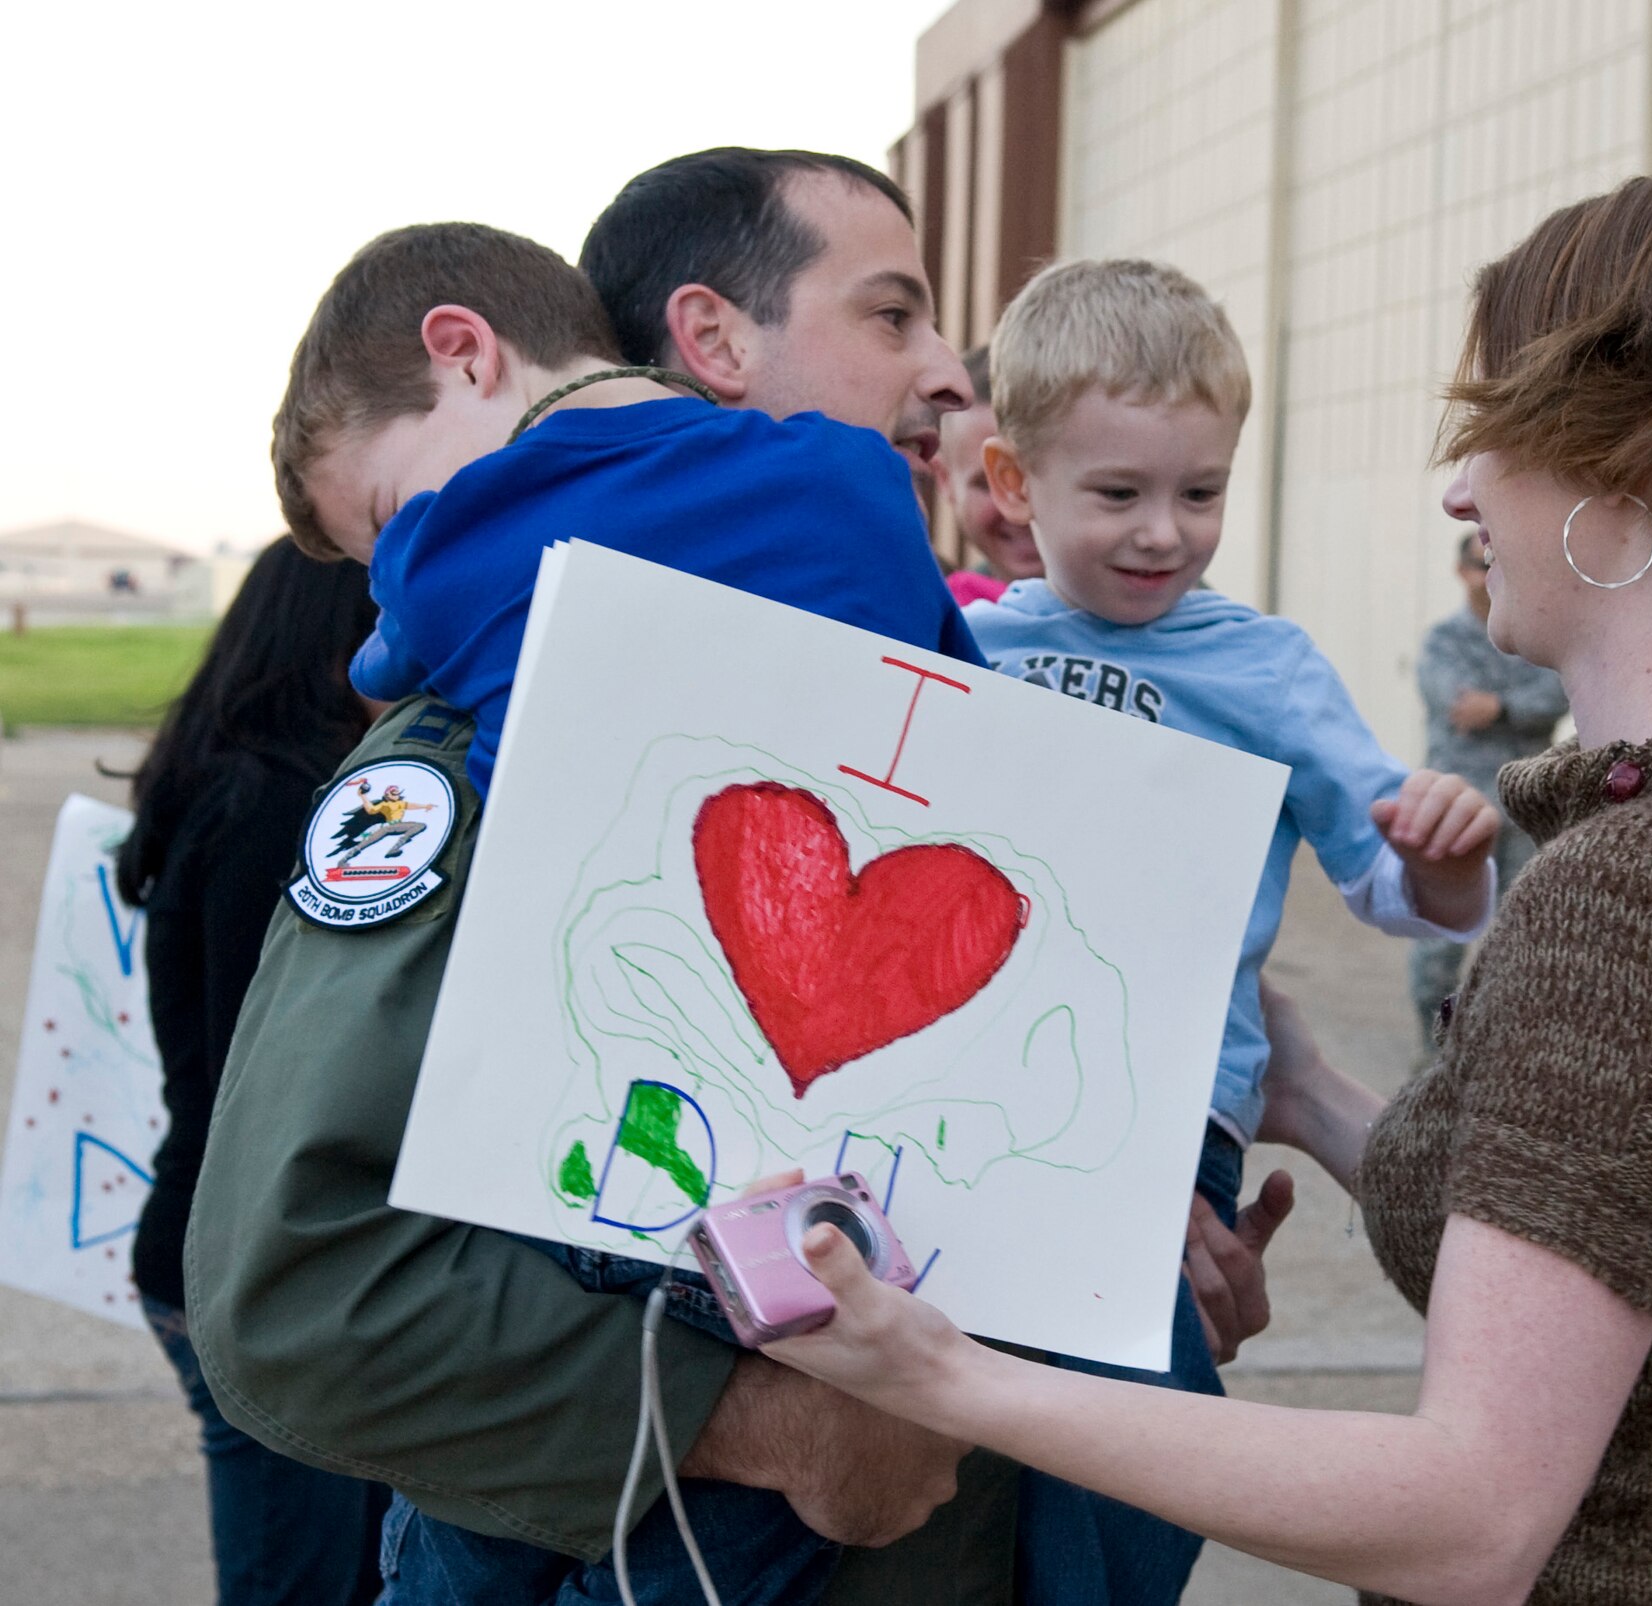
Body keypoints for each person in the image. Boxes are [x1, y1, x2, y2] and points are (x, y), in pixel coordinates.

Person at [756, 162, 1652, 1606]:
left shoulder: (1651, 894)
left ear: (1622, 460)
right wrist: (1312, 1093)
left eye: (1494, 432)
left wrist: (941, 1369)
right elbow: (1608, 1257)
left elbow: (1468, 1515)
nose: (1461, 491)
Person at [186, 149, 1014, 1606]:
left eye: (380, 521)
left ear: (466, 350)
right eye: (891, 318)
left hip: (620, 1174)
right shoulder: (847, 488)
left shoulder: (450, 577)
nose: (941, 373)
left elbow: (391, 652)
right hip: (846, 1225)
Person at [964, 257, 1498, 1605]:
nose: (1164, 532)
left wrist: (1442, 862)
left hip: (1163, 1123)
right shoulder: (961, 644)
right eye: (1118, 493)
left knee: (1121, 1472)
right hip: (964, 1100)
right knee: (967, 1471)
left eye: (1199, 492)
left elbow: (1383, 879)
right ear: (1013, 484)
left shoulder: (1264, 668)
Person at [272, 218, 978, 800]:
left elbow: (374, 670)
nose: (395, 551)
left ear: (464, 355)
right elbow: (976, 708)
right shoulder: (857, 473)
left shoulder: (443, 548)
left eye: (388, 512)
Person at [115, 537, 388, 1604]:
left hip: (238, 1250)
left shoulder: (237, 785)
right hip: (251, 1266)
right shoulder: (269, 807)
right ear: (332, 643)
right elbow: (263, 1067)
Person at [1409, 533, 1567, 1044]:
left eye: (1495, 563)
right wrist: (1514, 708)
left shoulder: (1534, 637)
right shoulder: (1442, 642)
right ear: (1461, 571)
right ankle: (1434, 1053)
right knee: (1437, 945)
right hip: (1455, 810)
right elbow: (1456, 703)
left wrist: (1496, 708)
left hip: (1524, 812)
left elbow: (1554, 698)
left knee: (1526, 940)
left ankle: (1508, 1053)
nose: (1487, 574)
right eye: (1479, 565)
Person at [936, 345, 1042, 606]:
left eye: (1039, 477)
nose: (1017, 507)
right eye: (988, 483)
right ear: (945, 480)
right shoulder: (933, 620)